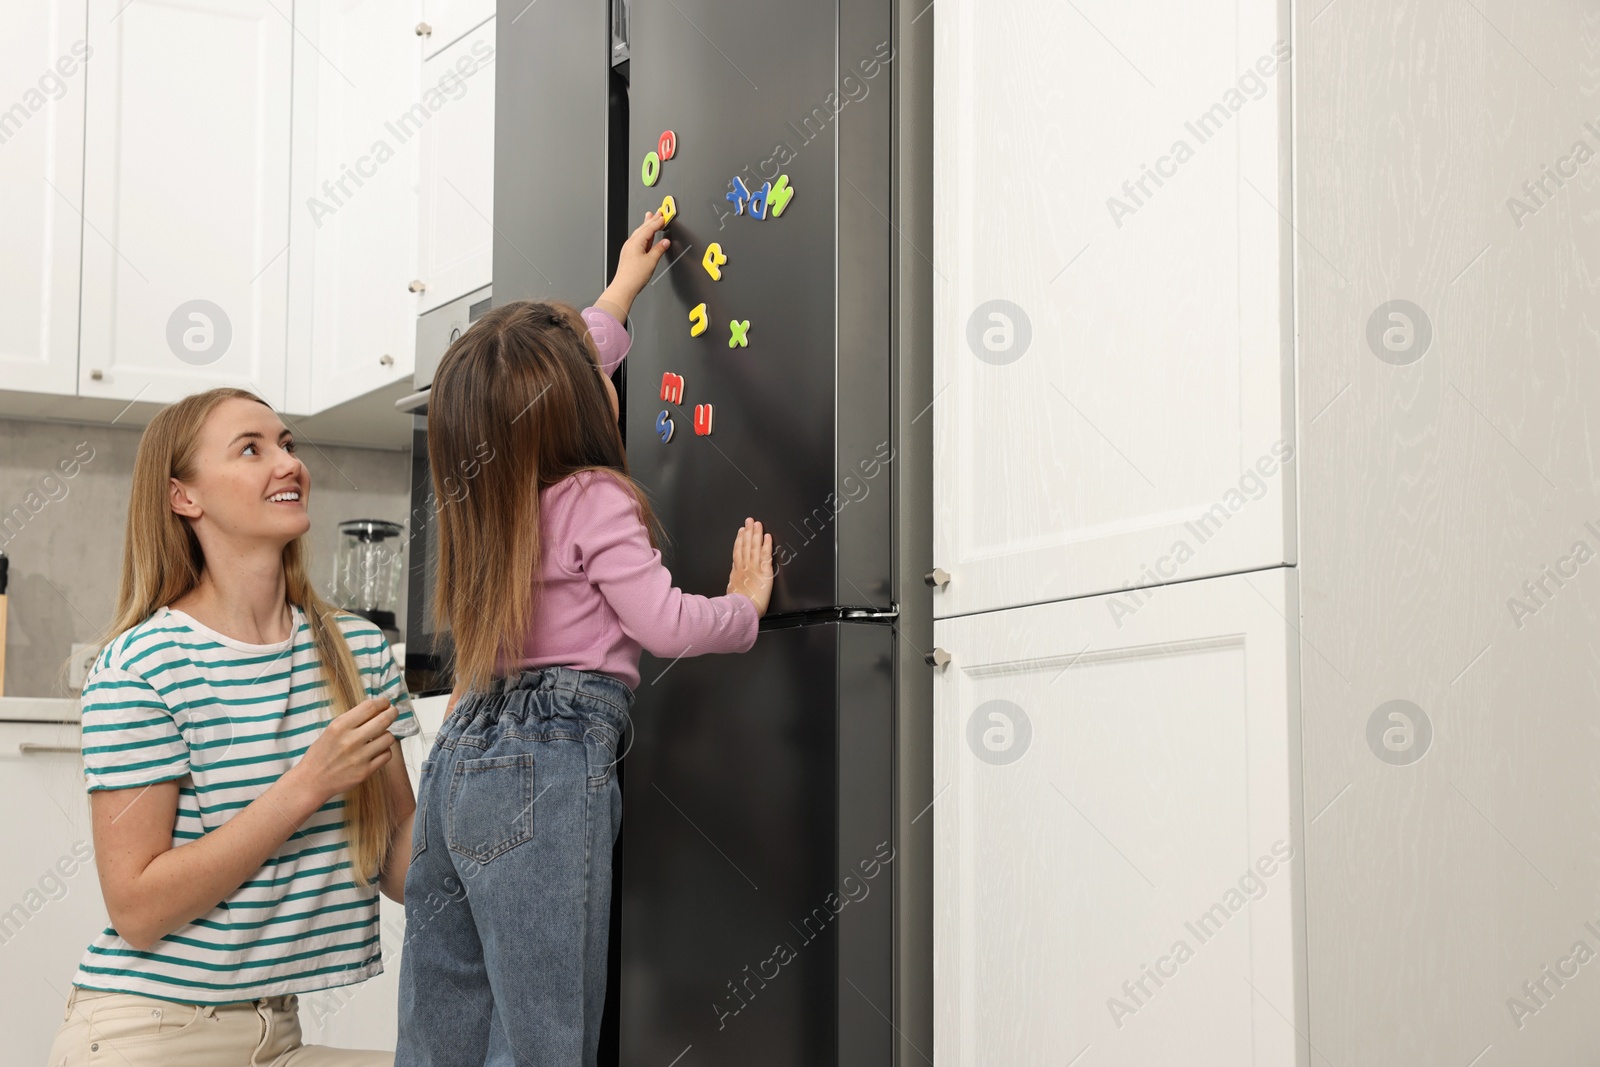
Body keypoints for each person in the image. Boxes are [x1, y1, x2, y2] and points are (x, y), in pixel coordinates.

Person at [396, 211, 775, 1066]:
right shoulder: (594, 494)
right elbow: (665, 621)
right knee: (544, 1033)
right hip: (549, 764)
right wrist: (743, 605)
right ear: (579, 405)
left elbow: (531, 392)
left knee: (443, 1021)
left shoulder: (485, 498)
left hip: (461, 756)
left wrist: (619, 294)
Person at [45, 387, 419, 1065]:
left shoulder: (358, 651)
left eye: (287, 444)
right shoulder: (144, 666)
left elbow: (399, 862)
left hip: (278, 1035)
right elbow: (136, 907)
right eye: (252, 449)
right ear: (184, 497)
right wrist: (306, 784)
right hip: (150, 1033)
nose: (287, 463)